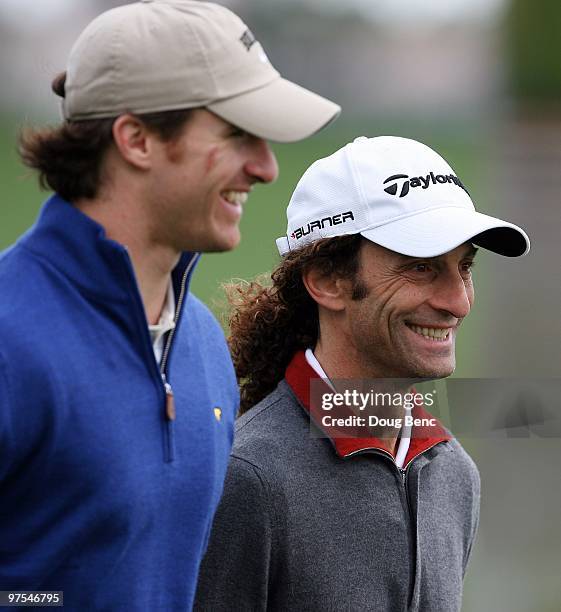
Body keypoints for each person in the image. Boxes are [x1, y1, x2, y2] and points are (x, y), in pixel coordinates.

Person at [0, 1, 340, 609]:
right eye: (236, 132)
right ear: (136, 139)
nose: (265, 167)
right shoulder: (9, 335)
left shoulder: (203, 345)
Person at [194, 136, 530, 611]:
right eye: (421, 267)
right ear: (327, 281)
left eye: (465, 267)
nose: (457, 301)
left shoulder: (455, 475)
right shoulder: (247, 478)